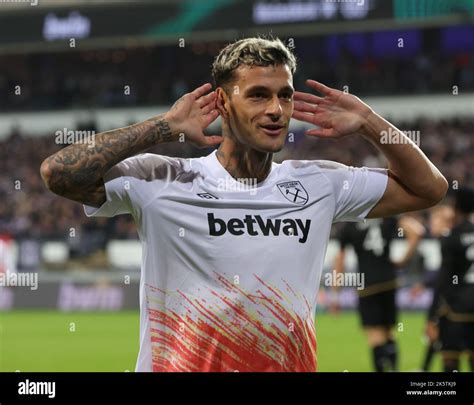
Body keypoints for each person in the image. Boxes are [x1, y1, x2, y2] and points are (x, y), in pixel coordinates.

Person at [40, 37, 448, 372]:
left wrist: (369, 123)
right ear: (222, 102)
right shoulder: (164, 179)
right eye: (257, 95)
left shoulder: (319, 183)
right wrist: (162, 127)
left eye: (284, 96)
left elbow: (429, 189)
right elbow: (58, 173)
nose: (276, 110)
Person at [332, 216, 424, 371]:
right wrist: (403, 259)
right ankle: (394, 369)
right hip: (389, 281)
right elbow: (417, 231)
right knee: (389, 333)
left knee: (375, 335)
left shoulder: (351, 223)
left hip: (367, 285)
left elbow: (340, 259)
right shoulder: (387, 217)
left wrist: (335, 294)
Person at [426, 188, 474, 372]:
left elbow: (443, 280)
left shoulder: (451, 238)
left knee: (451, 361)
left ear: (455, 207)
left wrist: (431, 318)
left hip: (456, 308)